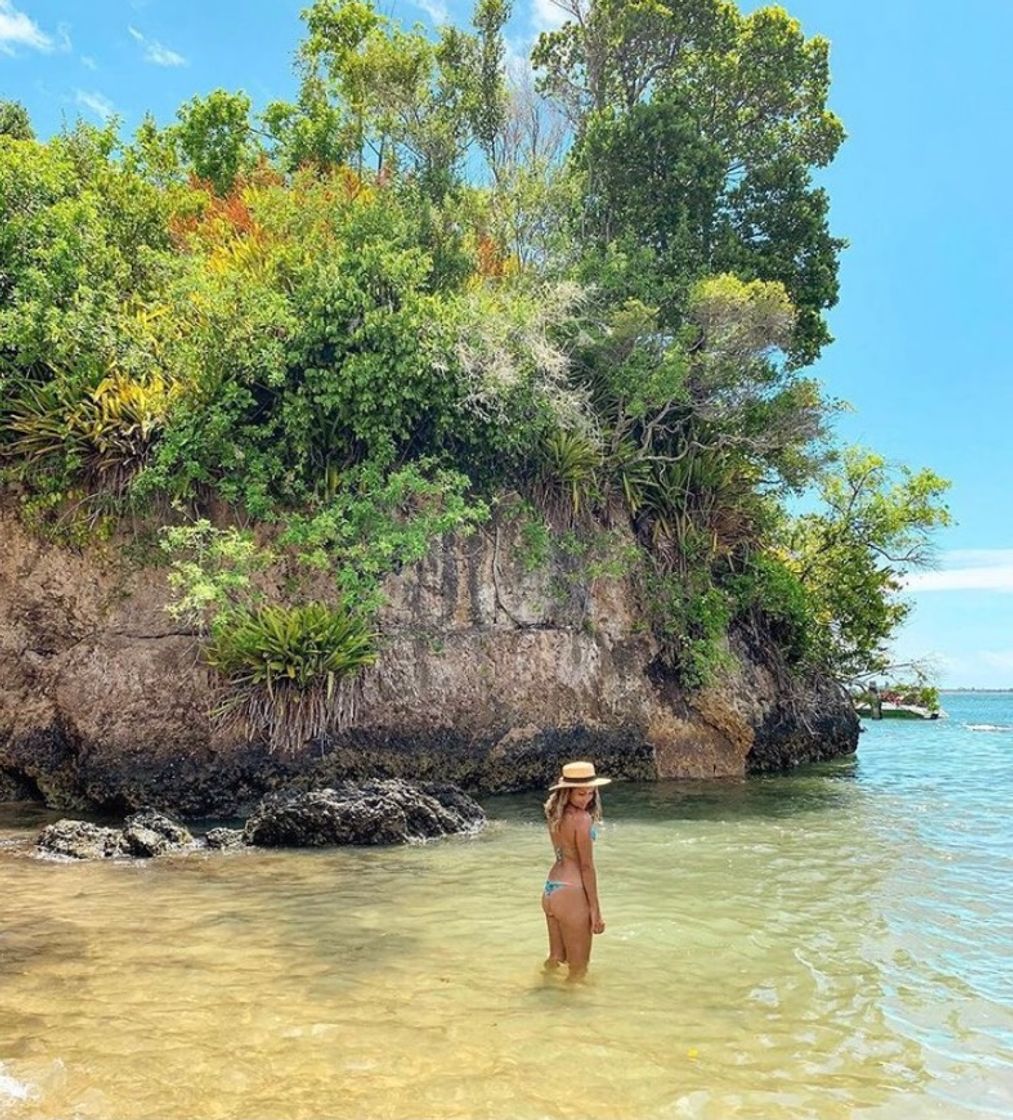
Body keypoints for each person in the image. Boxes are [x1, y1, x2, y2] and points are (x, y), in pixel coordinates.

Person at [540, 760, 611, 982]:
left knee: (555, 958)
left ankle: (542, 998)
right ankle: (570, 1014)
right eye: (581, 794)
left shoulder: (554, 814)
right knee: (578, 970)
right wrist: (595, 911)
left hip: (551, 890)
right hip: (572, 892)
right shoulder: (582, 820)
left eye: (590, 793)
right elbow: (586, 867)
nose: (587, 799)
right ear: (567, 792)